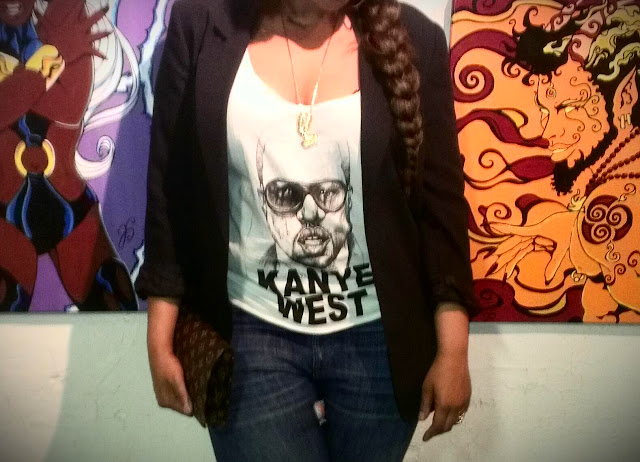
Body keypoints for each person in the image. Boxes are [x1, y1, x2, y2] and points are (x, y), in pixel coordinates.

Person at [136, 0, 476, 460]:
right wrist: (159, 338)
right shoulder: (201, 24)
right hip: (250, 331)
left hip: (379, 338)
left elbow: (441, 205)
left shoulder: (418, 40)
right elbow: (169, 184)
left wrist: (454, 350)